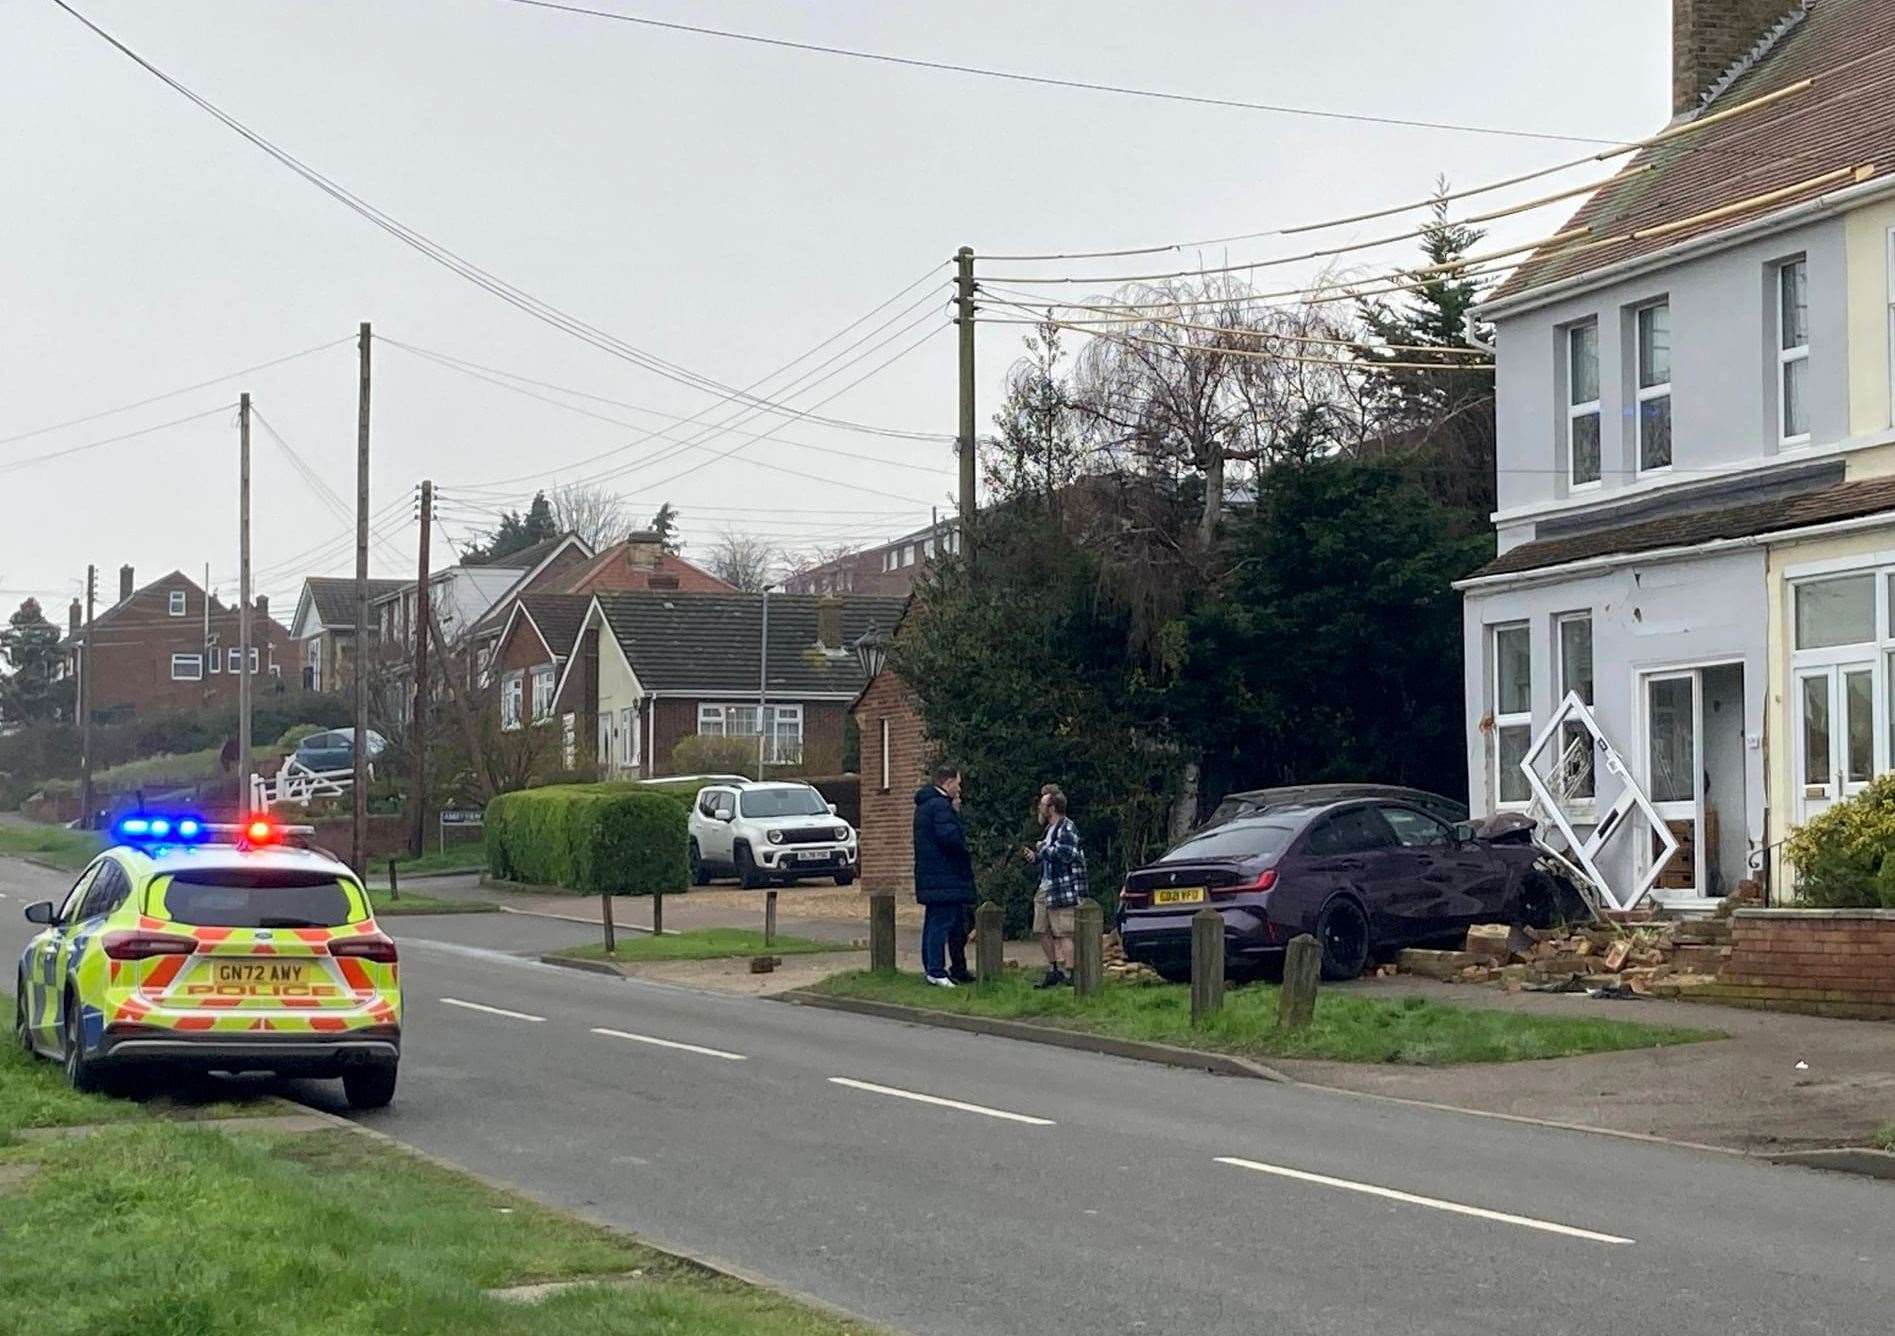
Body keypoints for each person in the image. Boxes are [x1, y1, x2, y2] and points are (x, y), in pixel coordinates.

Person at [913, 764, 975, 986]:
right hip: (944, 876)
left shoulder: (925, 806)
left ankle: (931, 965)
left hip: (932, 876)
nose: (958, 789)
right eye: (957, 784)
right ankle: (936, 971)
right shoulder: (940, 807)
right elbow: (949, 838)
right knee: (941, 922)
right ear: (947, 783)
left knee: (933, 922)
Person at [1023, 788, 1086, 988]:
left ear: (1052, 807)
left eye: (1043, 804)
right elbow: (1048, 855)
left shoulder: (1067, 827)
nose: (1040, 808)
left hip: (1063, 886)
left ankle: (1072, 973)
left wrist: (1043, 849)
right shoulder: (1049, 829)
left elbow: (1065, 854)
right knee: (1041, 928)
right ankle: (1054, 969)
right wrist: (1035, 857)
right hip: (1046, 885)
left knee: (1064, 931)